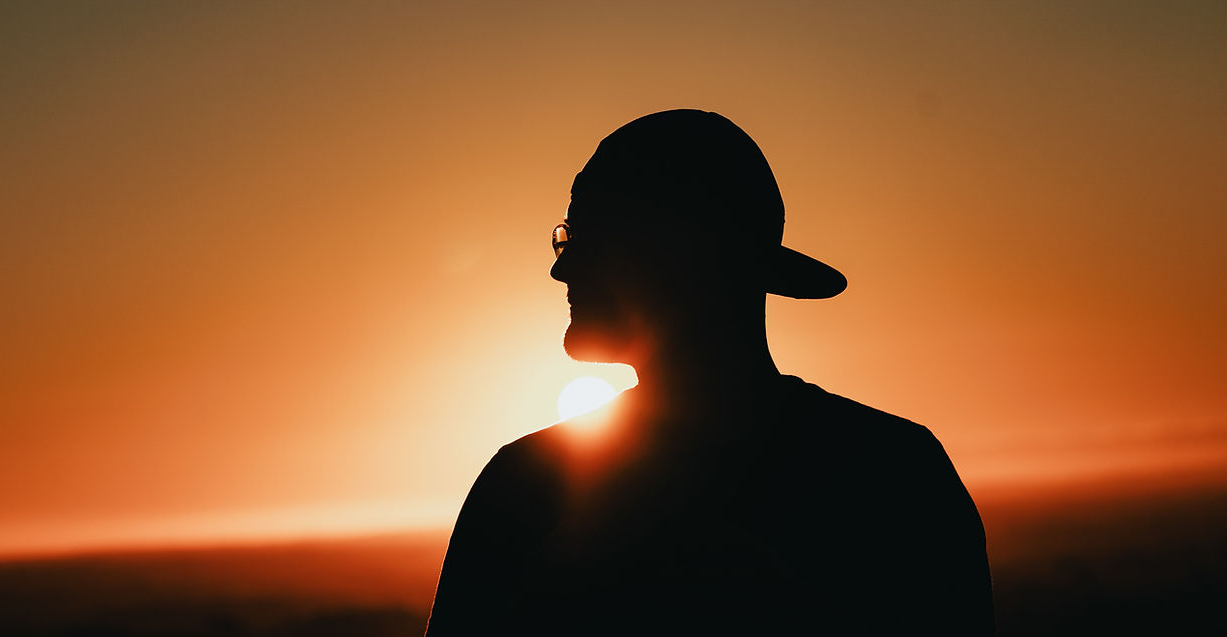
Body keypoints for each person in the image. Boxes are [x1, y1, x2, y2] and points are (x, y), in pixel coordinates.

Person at [425, 109, 994, 635]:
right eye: (567, 237)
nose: (563, 268)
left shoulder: (528, 490)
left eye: (592, 239)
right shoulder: (891, 470)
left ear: (681, 254)